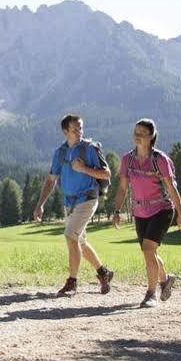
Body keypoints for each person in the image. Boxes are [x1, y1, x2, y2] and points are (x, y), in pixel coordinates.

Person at [33, 114, 115, 297]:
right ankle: (104, 273)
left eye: (81, 128)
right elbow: (51, 180)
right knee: (79, 242)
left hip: (88, 198)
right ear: (65, 131)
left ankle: (72, 282)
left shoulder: (90, 149)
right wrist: (40, 204)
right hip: (69, 203)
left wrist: (84, 169)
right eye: (74, 129)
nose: (79, 132)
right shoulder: (60, 153)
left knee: (71, 236)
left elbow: (107, 174)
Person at [111, 118, 181, 308]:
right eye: (136, 132)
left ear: (151, 136)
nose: (137, 136)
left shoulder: (160, 160)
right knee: (150, 252)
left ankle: (151, 294)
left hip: (162, 209)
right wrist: (117, 210)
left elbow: (171, 188)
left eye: (142, 133)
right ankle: (166, 280)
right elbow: (122, 188)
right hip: (140, 212)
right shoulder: (127, 160)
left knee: (148, 249)